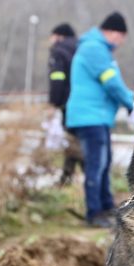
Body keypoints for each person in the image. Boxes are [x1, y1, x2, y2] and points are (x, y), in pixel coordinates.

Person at [66, 12, 134, 228]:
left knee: (104, 162)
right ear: (113, 32)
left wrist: (133, 102)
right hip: (89, 116)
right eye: (121, 37)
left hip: (98, 116)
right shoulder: (94, 49)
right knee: (96, 164)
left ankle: (106, 207)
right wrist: (133, 105)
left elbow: (114, 83)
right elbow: (112, 83)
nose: (120, 42)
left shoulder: (99, 49)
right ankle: (94, 212)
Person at [47, 23, 83, 186]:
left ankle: (81, 176)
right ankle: (67, 176)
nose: (51, 40)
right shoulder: (82, 49)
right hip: (83, 101)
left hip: (67, 102)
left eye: (52, 36)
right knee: (76, 138)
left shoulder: (59, 51)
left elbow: (57, 79)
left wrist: (54, 102)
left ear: (60, 36)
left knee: (72, 139)